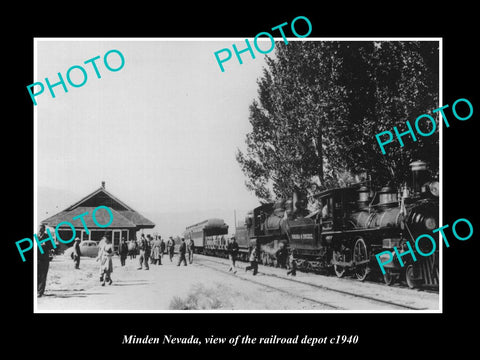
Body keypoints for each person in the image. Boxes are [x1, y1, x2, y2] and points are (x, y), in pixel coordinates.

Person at [37, 224, 54, 297]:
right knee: (36, 275)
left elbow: (52, 246)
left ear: (44, 229)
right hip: (37, 258)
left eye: (41, 229)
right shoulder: (36, 236)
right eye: (39, 229)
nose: (40, 230)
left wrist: (50, 249)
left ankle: (40, 292)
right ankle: (36, 289)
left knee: (43, 275)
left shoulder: (47, 237)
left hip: (44, 258)